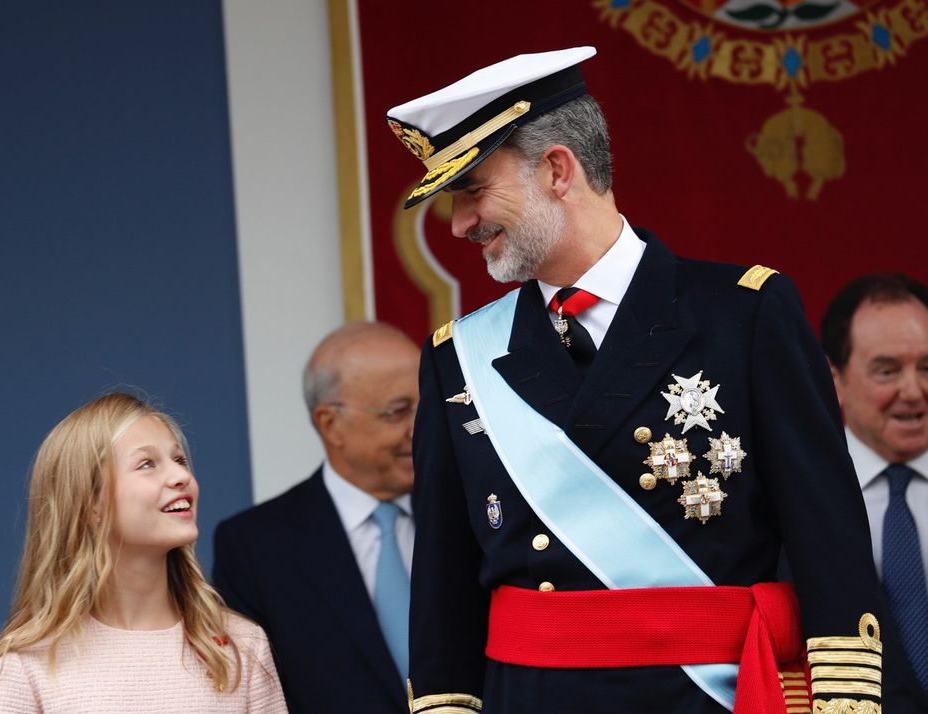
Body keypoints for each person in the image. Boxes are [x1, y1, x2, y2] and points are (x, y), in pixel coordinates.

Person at [386, 47, 884, 713]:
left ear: (557, 169)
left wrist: (846, 698)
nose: (459, 224)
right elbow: (445, 585)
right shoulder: (458, 356)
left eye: (473, 190)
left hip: (707, 696)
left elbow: (827, 537)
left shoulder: (746, 314)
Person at [0, 392, 287, 713]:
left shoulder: (243, 644)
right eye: (147, 464)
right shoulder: (30, 660)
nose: (182, 476)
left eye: (180, 460)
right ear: (91, 504)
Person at [213, 322, 420, 714]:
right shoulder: (255, 548)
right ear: (330, 424)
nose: (421, 427)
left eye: (428, 405)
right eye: (399, 412)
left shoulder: (474, 515)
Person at [823, 273, 928, 710]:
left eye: (927, 367)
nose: (913, 390)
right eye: (887, 371)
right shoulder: (803, 492)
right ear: (836, 380)